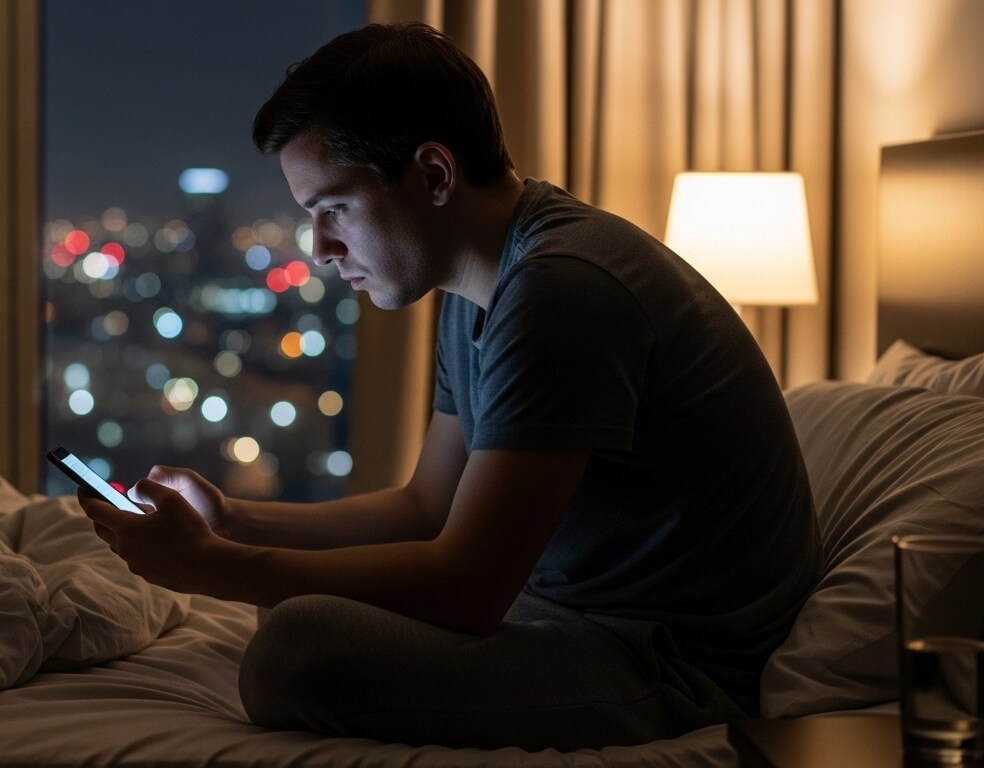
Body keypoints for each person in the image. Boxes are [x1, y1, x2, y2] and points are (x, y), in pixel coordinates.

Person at [79, 21, 821, 752]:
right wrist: (234, 523)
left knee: (294, 648)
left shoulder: (563, 290)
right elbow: (427, 508)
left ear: (434, 174)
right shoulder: (480, 286)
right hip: (563, 614)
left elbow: (467, 588)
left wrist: (214, 568)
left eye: (334, 209)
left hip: (668, 664)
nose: (321, 248)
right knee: (298, 604)